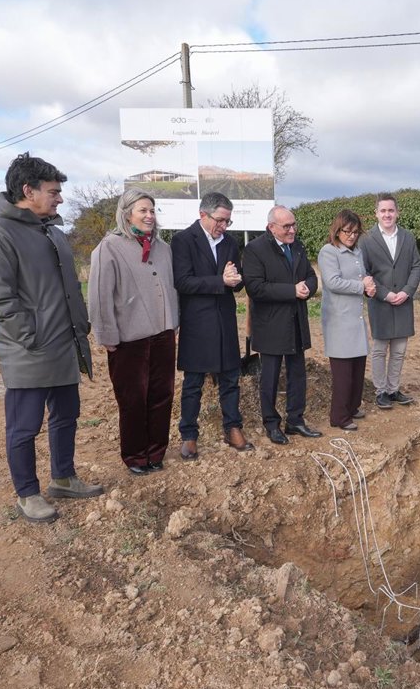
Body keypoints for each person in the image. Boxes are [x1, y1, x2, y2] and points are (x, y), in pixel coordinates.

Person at [0, 152, 103, 524]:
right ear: (28, 191)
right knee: (24, 426)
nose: (60, 198)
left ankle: (63, 478)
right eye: (53, 191)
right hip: (28, 350)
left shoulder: (53, 233)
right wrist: (31, 336)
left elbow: (69, 289)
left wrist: (79, 326)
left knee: (67, 416)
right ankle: (28, 494)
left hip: (64, 345)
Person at [88, 188, 179, 475]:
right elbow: (100, 295)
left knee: (162, 395)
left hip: (163, 334)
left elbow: (171, 287)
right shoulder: (109, 247)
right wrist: (106, 335)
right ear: (127, 214)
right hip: (129, 339)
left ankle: (156, 452)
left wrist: (174, 322)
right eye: (143, 210)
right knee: (133, 400)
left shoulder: (163, 248)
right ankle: (135, 456)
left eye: (152, 210)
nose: (149, 216)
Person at [172, 192, 253, 457]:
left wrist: (236, 278)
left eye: (228, 221)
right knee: (193, 382)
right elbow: (183, 281)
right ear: (203, 215)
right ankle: (189, 435)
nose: (224, 226)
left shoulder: (229, 242)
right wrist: (221, 281)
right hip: (197, 322)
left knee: (230, 377)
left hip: (225, 320)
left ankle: (233, 428)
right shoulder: (183, 240)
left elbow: (236, 281)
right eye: (220, 220)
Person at [241, 205, 323, 445]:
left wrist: (308, 288)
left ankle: (295, 420)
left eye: (293, 224)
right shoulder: (255, 250)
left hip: (296, 321)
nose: (292, 230)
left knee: (298, 374)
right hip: (271, 325)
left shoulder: (297, 246)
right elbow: (255, 287)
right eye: (287, 226)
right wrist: (291, 291)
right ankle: (271, 424)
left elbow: (310, 275)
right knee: (270, 377)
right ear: (271, 227)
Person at [360, 193, 420, 408]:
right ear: (376, 213)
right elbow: (364, 272)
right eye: (383, 211)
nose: (387, 214)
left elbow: (416, 266)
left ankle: (393, 389)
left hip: (404, 301)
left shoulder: (408, 237)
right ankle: (380, 392)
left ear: (397, 212)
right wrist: (384, 293)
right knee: (379, 350)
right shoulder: (366, 239)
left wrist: (407, 291)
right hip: (380, 302)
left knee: (399, 350)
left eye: (391, 210)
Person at [319, 210, 377, 430]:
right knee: (343, 373)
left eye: (355, 232)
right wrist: (361, 286)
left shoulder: (357, 252)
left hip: (355, 318)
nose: (352, 236)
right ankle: (339, 417)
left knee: (357, 368)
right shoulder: (329, 251)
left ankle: (352, 407)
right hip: (338, 319)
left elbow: (361, 278)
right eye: (347, 231)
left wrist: (368, 288)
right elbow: (332, 282)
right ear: (337, 230)